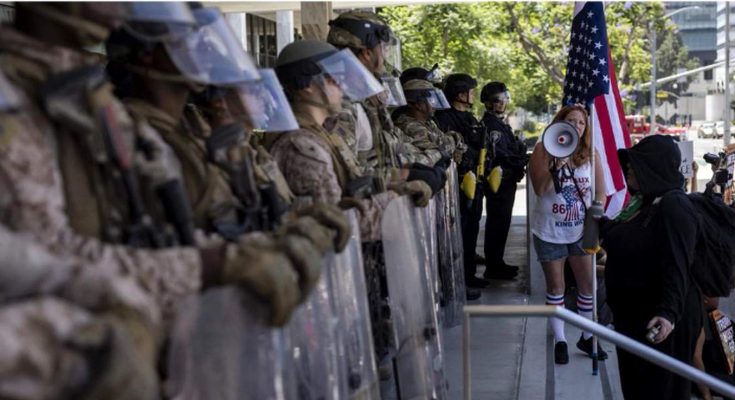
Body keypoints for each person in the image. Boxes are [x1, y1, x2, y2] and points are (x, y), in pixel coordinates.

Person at [601, 134, 702, 399]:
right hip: (634, 320)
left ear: (655, 167)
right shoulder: (643, 203)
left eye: (638, 163)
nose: (630, 168)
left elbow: (678, 266)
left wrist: (667, 314)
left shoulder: (674, 206)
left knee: (660, 392)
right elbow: (628, 237)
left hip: (659, 325)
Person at [528, 104, 607, 364]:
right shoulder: (542, 150)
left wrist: (595, 221)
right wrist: (556, 164)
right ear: (559, 123)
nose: (576, 126)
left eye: (581, 123)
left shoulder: (590, 154)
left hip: (581, 231)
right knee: (556, 287)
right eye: (571, 121)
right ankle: (560, 340)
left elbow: (600, 192)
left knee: (587, 286)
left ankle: (586, 336)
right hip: (549, 231)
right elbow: (540, 190)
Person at [434, 73, 493, 287]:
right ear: (460, 94)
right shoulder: (443, 118)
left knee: (471, 230)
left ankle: (468, 275)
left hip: (475, 183)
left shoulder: (470, 118)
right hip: (456, 185)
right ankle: (456, 280)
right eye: (470, 91)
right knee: (456, 232)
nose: (473, 95)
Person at [480, 82, 528, 279]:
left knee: (501, 224)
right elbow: (501, 155)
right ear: (493, 104)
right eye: (501, 99)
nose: (505, 102)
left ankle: (497, 262)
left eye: (505, 98)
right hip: (500, 182)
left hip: (505, 181)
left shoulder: (499, 123)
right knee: (497, 224)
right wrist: (521, 159)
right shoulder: (493, 126)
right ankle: (494, 266)